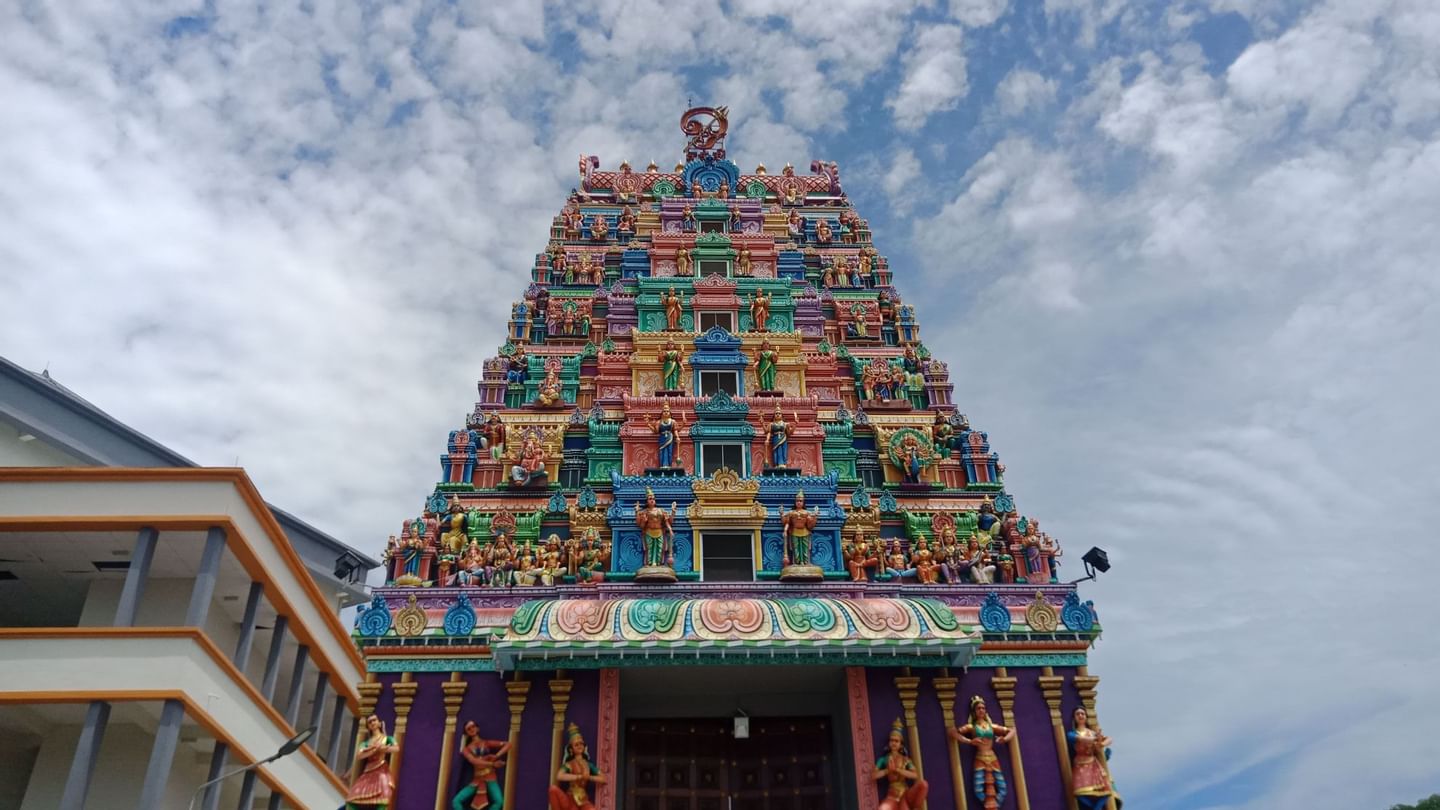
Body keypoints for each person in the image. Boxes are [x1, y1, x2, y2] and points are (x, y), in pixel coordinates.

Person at [950, 696, 1015, 810]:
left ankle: (994, 806)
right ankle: (988, 805)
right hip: (980, 758)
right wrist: (969, 741)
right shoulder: (972, 727)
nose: (981, 710)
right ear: (974, 712)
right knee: (978, 789)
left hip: (993, 757)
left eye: (983, 708)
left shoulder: (991, 726)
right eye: (978, 708)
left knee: (1003, 788)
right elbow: (953, 732)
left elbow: (1012, 730)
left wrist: (1004, 739)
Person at [1068, 707, 1121, 810]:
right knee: (1079, 793)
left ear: (1086, 717)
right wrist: (1095, 739)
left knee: (1106, 791)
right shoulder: (1073, 733)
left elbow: (1109, 739)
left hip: (1093, 764)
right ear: (1074, 718)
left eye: (1082, 714)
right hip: (1080, 765)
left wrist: (1101, 744)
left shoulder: (1092, 732)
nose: (1080, 716)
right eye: (1077, 714)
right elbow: (1081, 739)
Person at [452, 720, 510, 810]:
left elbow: (508, 744)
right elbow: (474, 761)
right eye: (468, 729)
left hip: (490, 777)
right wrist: (492, 764)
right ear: (466, 733)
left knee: (499, 801)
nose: (472, 729)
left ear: (477, 728)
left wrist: (496, 756)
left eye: (473, 726)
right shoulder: (466, 750)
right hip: (477, 780)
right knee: (456, 801)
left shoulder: (486, 743)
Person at [874, 719, 928, 810]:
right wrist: (887, 771)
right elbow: (873, 775)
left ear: (901, 745)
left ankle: (916, 808)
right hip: (891, 796)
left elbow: (915, 775)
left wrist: (898, 770)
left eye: (896, 741)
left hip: (904, 795)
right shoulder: (883, 760)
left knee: (923, 784)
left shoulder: (905, 760)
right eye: (892, 741)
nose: (894, 743)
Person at [548, 723, 605, 810]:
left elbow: (603, 778)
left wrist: (589, 777)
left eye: (581, 744)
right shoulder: (569, 764)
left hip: (583, 799)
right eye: (576, 745)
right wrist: (579, 777)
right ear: (571, 749)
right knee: (553, 789)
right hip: (570, 799)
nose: (579, 746)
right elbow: (559, 776)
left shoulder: (588, 764)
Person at [345, 715, 397, 809]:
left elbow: (396, 748)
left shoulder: (387, 738)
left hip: (381, 771)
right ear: (368, 726)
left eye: (374, 720)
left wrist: (384, 749)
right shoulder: (366, 743)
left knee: (384, 797)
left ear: (379, 722)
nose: (373, 723)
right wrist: (373, 750)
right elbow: (359, 755)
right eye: (370, 722)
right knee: (351, 798)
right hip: (367, 773)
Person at [634, 488, 675, 568]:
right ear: (647, 501)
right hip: (649, 531)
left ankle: (659, 564)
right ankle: (649, 564)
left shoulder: (661, 510)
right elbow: (640, 525)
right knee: (649, 548)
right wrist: (643, 520)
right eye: (650, 499)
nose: (652, 500)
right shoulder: (645, 512)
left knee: (660, 548)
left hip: (659, 531)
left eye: (653, 499)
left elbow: (668, 522)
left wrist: (672, 513)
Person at [782, 491, 817, 566]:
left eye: (801, 501)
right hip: (795, 531)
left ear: (803, 503)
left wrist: (815, 517)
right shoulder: (791, 513)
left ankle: (806, 562)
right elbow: (787, 522)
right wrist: (785, 530)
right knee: (796, 548)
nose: (799, 502)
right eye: (797, 501)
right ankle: (796, 562)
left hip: (805, 531)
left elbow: (811, 524)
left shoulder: (807, 512)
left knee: (805, 547)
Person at [646, 401, 682, 467]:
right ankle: (662, 465)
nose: (666, 412)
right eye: (664, 411)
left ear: (670, 413)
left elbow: (675, 430)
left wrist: (677, 437)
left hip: (670, 438)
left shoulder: (673, 421)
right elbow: (656, 431)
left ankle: (669, 465)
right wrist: (648, 425)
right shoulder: (659, 422)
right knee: (662, 452)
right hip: (662, 438)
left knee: (669, 452)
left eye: (667, 411)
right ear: (662, 413)